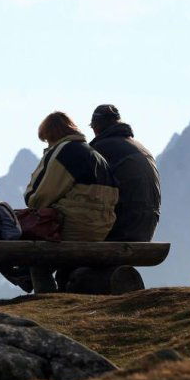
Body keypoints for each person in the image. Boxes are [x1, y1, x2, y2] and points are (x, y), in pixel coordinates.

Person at [24, 111, 119, 292]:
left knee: (30, 250)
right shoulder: (95, 154)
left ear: (50, 135)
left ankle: (42, 294)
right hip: (100, 229)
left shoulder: (64, 151)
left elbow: (38, 197)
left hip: (75, 228)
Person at [88, 105, 161, 242]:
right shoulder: (141, 148)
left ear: (96, 127)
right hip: (147, 228)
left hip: (122, 227)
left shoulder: (99, 150)